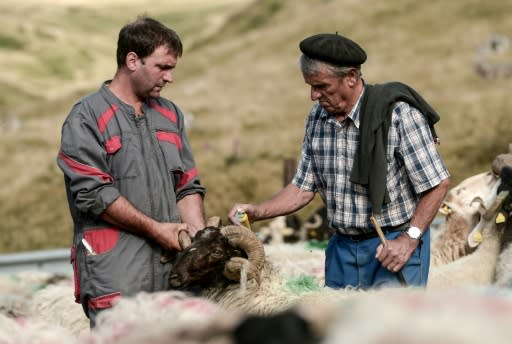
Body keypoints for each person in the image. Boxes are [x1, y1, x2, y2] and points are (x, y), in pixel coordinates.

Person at [228, 33, 450, 290]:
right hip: (341, 252)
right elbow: (302, 188)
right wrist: (258, 212)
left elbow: (437, 183)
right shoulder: (317, 119)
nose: (314, 95)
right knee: (338, 328)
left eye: (322, 86)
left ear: (351, 77)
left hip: (393, 248)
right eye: (310, 86)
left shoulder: (399, 115)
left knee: (392, 329)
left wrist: (409, 239)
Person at [56, 16, 206, 326]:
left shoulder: (170, 114)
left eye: (172, 68)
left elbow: (187, 185)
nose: (170, 77)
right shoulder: (86, 117)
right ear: (132, 60)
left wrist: (198, 240)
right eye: (162, 67)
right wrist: (157, 230)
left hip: (175, 277)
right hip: (116, 279)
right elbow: (93, 194)